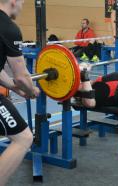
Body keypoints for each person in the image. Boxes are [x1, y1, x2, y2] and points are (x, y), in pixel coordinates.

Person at [0, 0, 40, 185]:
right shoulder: (9, 28)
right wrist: (31, 90)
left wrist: (14, 87)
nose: (23, 6)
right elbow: (22, 76)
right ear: (14, 1)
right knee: (23, 138)